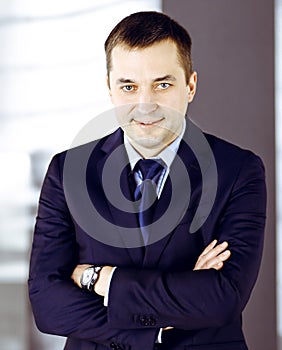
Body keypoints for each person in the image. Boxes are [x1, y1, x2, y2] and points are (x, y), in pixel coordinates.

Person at [28, 11, 266, 350]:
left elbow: (223, 297)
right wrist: (162, 318)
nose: (145, 105)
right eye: (129, 86)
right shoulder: (68, 171)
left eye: (163, 84)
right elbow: (48, 304)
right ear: (110, 89)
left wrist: (98, 278)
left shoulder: (238, 170)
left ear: (190, 86)